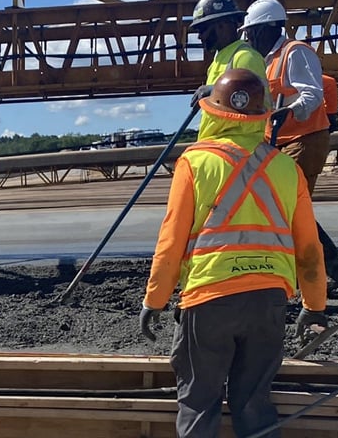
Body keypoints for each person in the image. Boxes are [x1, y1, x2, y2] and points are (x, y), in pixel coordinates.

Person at [140, 68, 328, 438]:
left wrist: (155, 299)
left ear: (213, 112)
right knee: (254, 405)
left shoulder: (194, 163)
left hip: (209, 301)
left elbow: (171, 240)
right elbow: (309, 249)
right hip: (268, 302)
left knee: (198, 403)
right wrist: (315, 306)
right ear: (262, 117)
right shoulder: (288, 169)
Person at [241, 0, 338, 289]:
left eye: (250, 33)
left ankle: (324, 271)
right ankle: (328, 269)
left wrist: (289, 110)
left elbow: (313, 93)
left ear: (266, 30)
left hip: (305, 140)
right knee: (280, 207)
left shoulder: (295, 53)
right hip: (278, 143)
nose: (248, 39)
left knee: (288, 208)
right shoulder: (263, 62)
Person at [187, 0, 268, 140]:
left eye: (202, 29)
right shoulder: (219, 60)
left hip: (236, 148)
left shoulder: (245, 58)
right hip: (219, 146)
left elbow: (258, 107)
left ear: (222, 25)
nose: (200, 37)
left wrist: (216, 90)